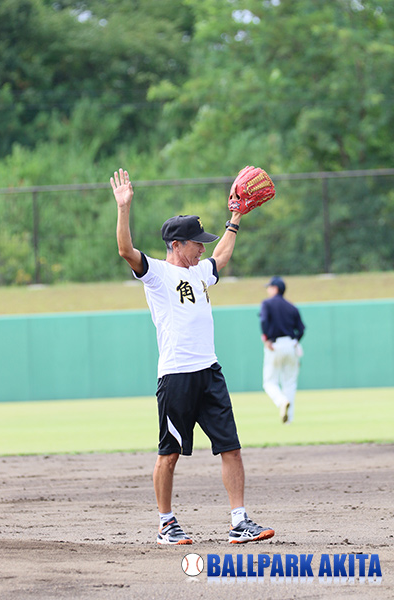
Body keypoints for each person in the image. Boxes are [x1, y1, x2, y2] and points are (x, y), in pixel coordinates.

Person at [110, 168, 275, 546]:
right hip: (176, 377)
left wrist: (235, 217)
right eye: (196, 242)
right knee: (169, 454)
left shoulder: (201, 271)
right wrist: (124, 209)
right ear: (177, 245)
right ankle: (166, 523)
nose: (202, 247)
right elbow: (125, 251)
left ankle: (239, 521)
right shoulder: (157, 275)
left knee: (230, 447)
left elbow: (221, 257)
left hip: (209, 372)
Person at [259, 276, 305, 424]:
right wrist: (295, 342)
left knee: (269, 382)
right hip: (291, 345)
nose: (268, 289)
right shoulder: (292, 306)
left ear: (275, 288)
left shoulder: (267, 303)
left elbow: (264, 320)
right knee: (290, 382)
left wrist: (266, 339)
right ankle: (288, 419)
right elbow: (302, 329)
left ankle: (281, 402)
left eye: (269, 287)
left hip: (275, 345)